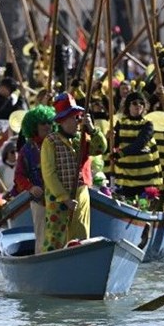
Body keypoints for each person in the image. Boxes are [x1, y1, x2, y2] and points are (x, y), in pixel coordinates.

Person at [40, 93, 107, 252]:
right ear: (62, 121)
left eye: (78, 116)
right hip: (58, 198)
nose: (78, 120)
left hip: (80, 193)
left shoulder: (82, 138)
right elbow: (49, 174)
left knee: (81, 238)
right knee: (55, 239)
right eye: (73, 117)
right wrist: (64, 198)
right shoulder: (50, 141)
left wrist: (92, 129)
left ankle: (80, 264)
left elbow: (101, 148)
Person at [12, 105, 54, 252]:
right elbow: (19, 176)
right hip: (39, 200)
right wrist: (31, 187)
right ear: (34, 126)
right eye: (43, 123)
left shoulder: (58, 144)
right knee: (42, 237)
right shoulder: (27, 150)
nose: (47, 126)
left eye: (49, 122)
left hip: (60, 199)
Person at [111, 90, 163, 198]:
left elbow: (140, 143)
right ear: (128, 106)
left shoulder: (148, 124)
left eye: (141, 103)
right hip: (127, 178)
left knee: (144, 206)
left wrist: (120, 153)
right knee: (129, 203)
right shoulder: (120, 123)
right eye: (135, 103)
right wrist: (109, 138)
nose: (138, 105)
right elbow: (114, 145)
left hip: (146, 178)